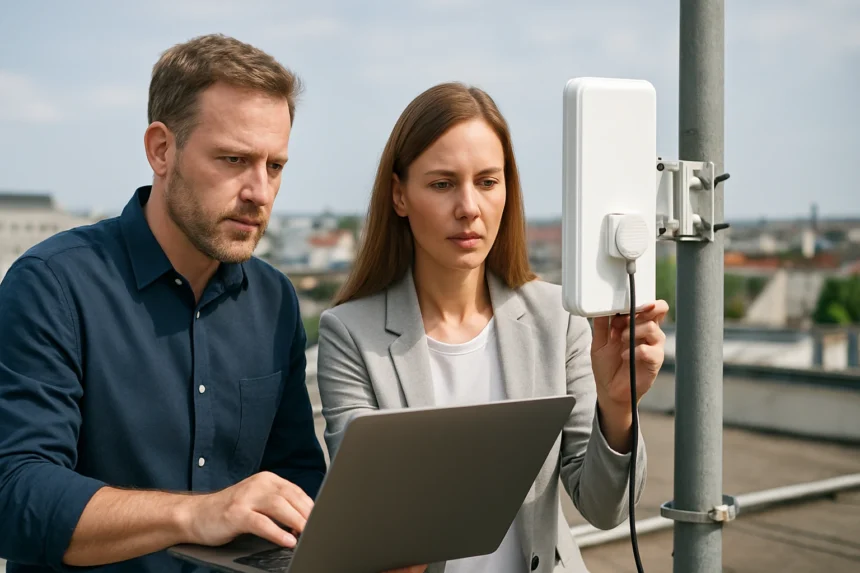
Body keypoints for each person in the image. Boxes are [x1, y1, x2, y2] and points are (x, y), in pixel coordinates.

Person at [0, 34, 423, 573]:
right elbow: (15, 495)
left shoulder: (274, 301)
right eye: (234, 159)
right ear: (161, 149)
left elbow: (295, 479)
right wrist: (198, 514)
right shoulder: (51, 286)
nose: (260, 192)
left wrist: (357, 547)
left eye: (275, 166)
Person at [315, 82, 669, 573]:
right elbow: (373, 518)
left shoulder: (557, 318)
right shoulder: (350, 335)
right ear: (399, 195)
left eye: (487, 181)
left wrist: (617, 408)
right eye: (442, 184)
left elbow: (605, 509)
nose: (469, 207)